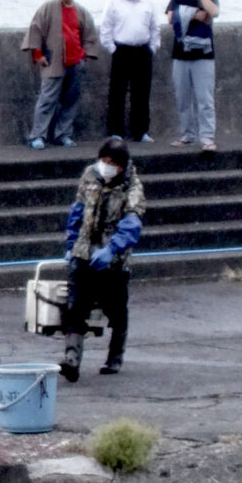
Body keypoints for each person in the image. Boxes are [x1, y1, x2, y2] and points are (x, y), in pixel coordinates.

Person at [59, 137, 146, 381]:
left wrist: (112, 249)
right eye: (103, 160)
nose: (105, 165)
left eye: (111, 162)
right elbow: (78, 208)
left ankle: (114, 357)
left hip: (112, 260)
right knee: (75, 306)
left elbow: (132, 223)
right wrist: (71, 243)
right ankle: (72, 359)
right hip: (84, 252)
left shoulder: (132, 189)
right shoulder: (90, 175)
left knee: (116, 310)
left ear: (121, 165)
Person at [21, 0, 98, 150]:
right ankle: (37, 135)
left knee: (70, 100)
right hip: (53, 61)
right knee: (47, 98)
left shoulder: (81, 11)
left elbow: (89, 35)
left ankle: (62, 134)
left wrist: (84, 56)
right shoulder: (48, 7)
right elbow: (35, 29)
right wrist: (37, 54)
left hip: (75, 62)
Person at [165, 0, 220, 153]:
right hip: (180, 55)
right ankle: (187, 134)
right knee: (183, 98)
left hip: (203, 57)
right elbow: (172, 18)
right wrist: (196, 15)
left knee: (205, 99)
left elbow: (213, 13)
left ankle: (207, 138)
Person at [101, 0, 158, 143]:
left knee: (141, 94)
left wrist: (153, 48)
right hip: (121, 50)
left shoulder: (148, 2)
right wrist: (112, 48)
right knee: (117, 93)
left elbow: (155, 28)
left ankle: (140, 132)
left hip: (142, 51)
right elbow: (106, 28)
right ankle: (116, 131)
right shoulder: (114, 0)